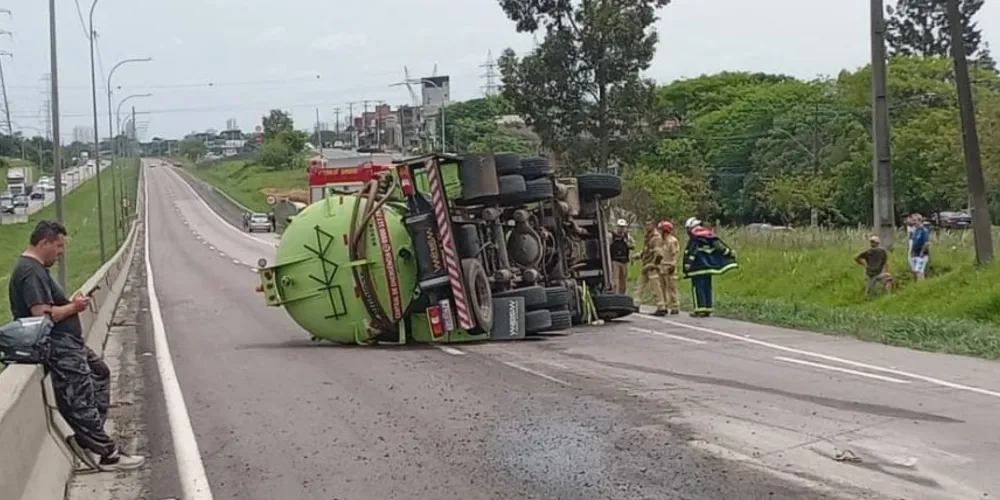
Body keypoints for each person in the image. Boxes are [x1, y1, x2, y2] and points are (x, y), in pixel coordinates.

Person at [7, 220, 145, 472]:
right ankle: (107, 453)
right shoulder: (30, 272)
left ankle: (90, 439)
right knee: (79, 400)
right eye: (58, 246)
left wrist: (71, 304)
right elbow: (42, 317)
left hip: (68, 343)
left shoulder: (35, 270)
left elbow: (49, 308)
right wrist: (74, 307)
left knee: (99, 373)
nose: (61, 253)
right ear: (44, 242)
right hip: (59, 347)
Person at [682, 217, 738, 318]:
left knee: (698, 288)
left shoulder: (695, 238)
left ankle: (700, 309)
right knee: (707, 287)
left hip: (697, 268)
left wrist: (688, 263)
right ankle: (708, 308)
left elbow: (692, 251)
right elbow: (720, 247)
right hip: (708, 267)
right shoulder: (708, 235)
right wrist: (729, 253)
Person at [633, 219, 668, 316]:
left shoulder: (656, 238)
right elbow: (647, 250)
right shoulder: (648, 236)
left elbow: (659, 254)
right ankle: (636, 304)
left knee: (655, 287)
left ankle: (661, 307)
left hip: (652, 266)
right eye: (646, 225)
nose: (647, 227)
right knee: (639, 285)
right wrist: (639, 255)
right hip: (645, 264)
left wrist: (654, 264)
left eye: (649, 225)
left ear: (653, 225)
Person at [657, 220, 681, 315]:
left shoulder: (672, 241)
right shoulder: (660, 241)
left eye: (660, 229)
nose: (658, 231)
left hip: (669, 266)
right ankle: (664, 305)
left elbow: (675, 254)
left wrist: (673, 265)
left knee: (672, 288)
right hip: (661, 267)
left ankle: (675, 306)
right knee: (661, 288)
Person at [608, 218, 634, 295]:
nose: (621, 229)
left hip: (625, 261)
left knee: (623, 280)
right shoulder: (612, 235)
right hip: (615, 261)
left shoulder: (627, 236)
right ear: (617, 226)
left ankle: (623, 294)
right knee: (615, 280)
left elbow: (632, 245)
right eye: (620, 227)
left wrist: (628, 244)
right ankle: (616, 294)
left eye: (623, 227)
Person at [908, 214, 931, 280]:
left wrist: (922, 252)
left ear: (920, 221)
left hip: (921, 255)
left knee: (919, 271)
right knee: (916, 271)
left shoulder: (924, 230)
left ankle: (921, 286)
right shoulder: (915, 231)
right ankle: (919, 286)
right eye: (913, 221)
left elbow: (926, 243)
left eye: (915, 220)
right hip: (915, 254)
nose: (914, 222)